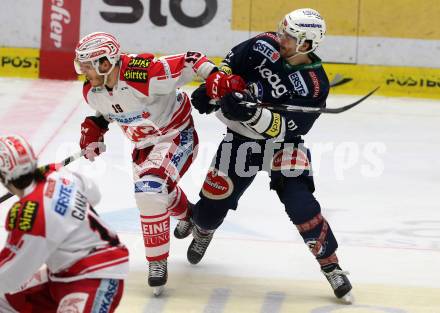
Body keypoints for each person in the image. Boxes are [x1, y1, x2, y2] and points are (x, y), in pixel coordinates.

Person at [175, 8, 353, 303]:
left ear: (306, 44)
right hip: (241, 140)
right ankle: (203, 228)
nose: (279, 38)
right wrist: (216, 89)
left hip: (284, 145)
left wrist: (252, 113)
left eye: (288, 37)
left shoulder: (315, 85)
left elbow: (288, 127)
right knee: (209, 210)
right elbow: (231, 64)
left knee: (302, 206)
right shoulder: (263, 44)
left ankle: (332, 266)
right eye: (282, 32)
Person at [74, 32, 216, 295]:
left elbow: (190, 59)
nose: (82, 70)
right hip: (143, 147)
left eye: (87, 64)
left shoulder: (144, 74)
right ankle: (192, 218)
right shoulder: (92, 91)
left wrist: (217, 77)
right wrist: (96, 128)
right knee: (156, 192)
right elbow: (111, 109)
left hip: (176, 135)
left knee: (150, 191)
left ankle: (157, 264)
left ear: (105, 63)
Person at [0, 135, 129, 312]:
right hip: (65, 274)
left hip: (96, 276)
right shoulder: (56, 174)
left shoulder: (30, 213)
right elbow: (94, 193)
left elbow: (11, 272)